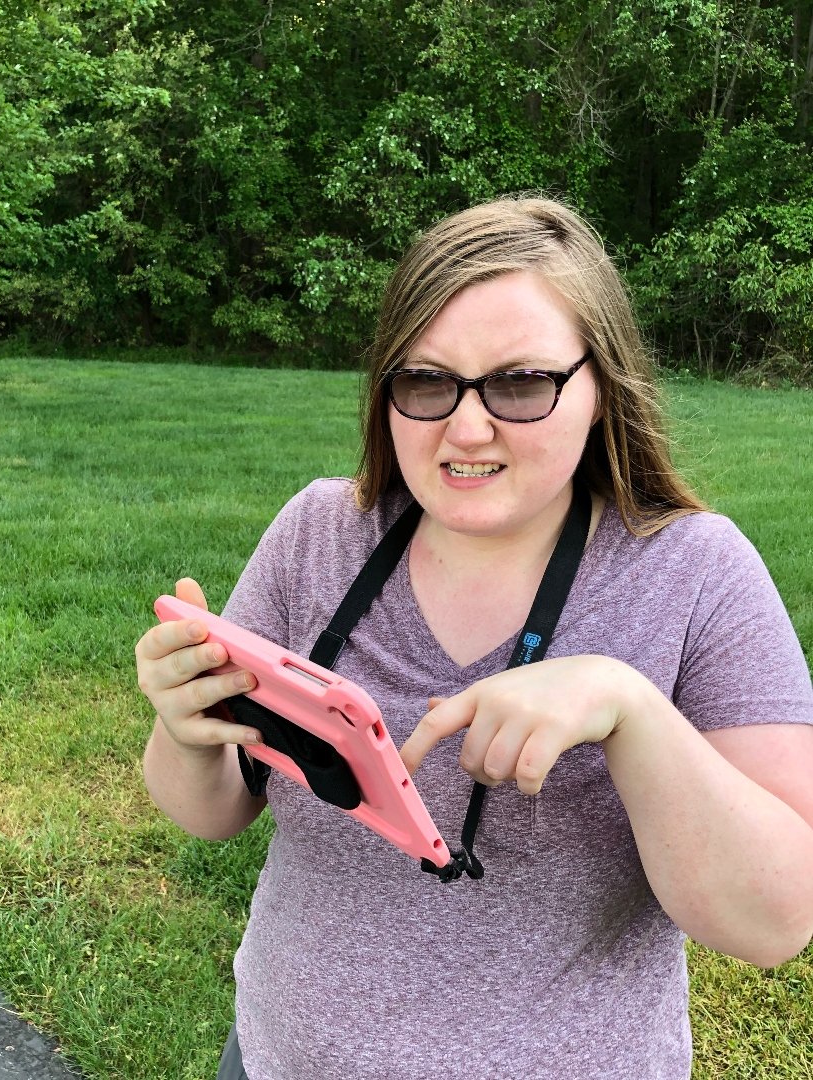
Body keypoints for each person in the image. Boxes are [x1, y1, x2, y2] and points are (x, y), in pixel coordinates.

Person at [135, 195, 813, 1080]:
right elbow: (214, 809)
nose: (464, 427)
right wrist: (187, 730)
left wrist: (630, 711)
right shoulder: (318, 533)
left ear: (602, 384)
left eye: (521, 383)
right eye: (425, 381)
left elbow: (773, 921)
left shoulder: (693, 572)